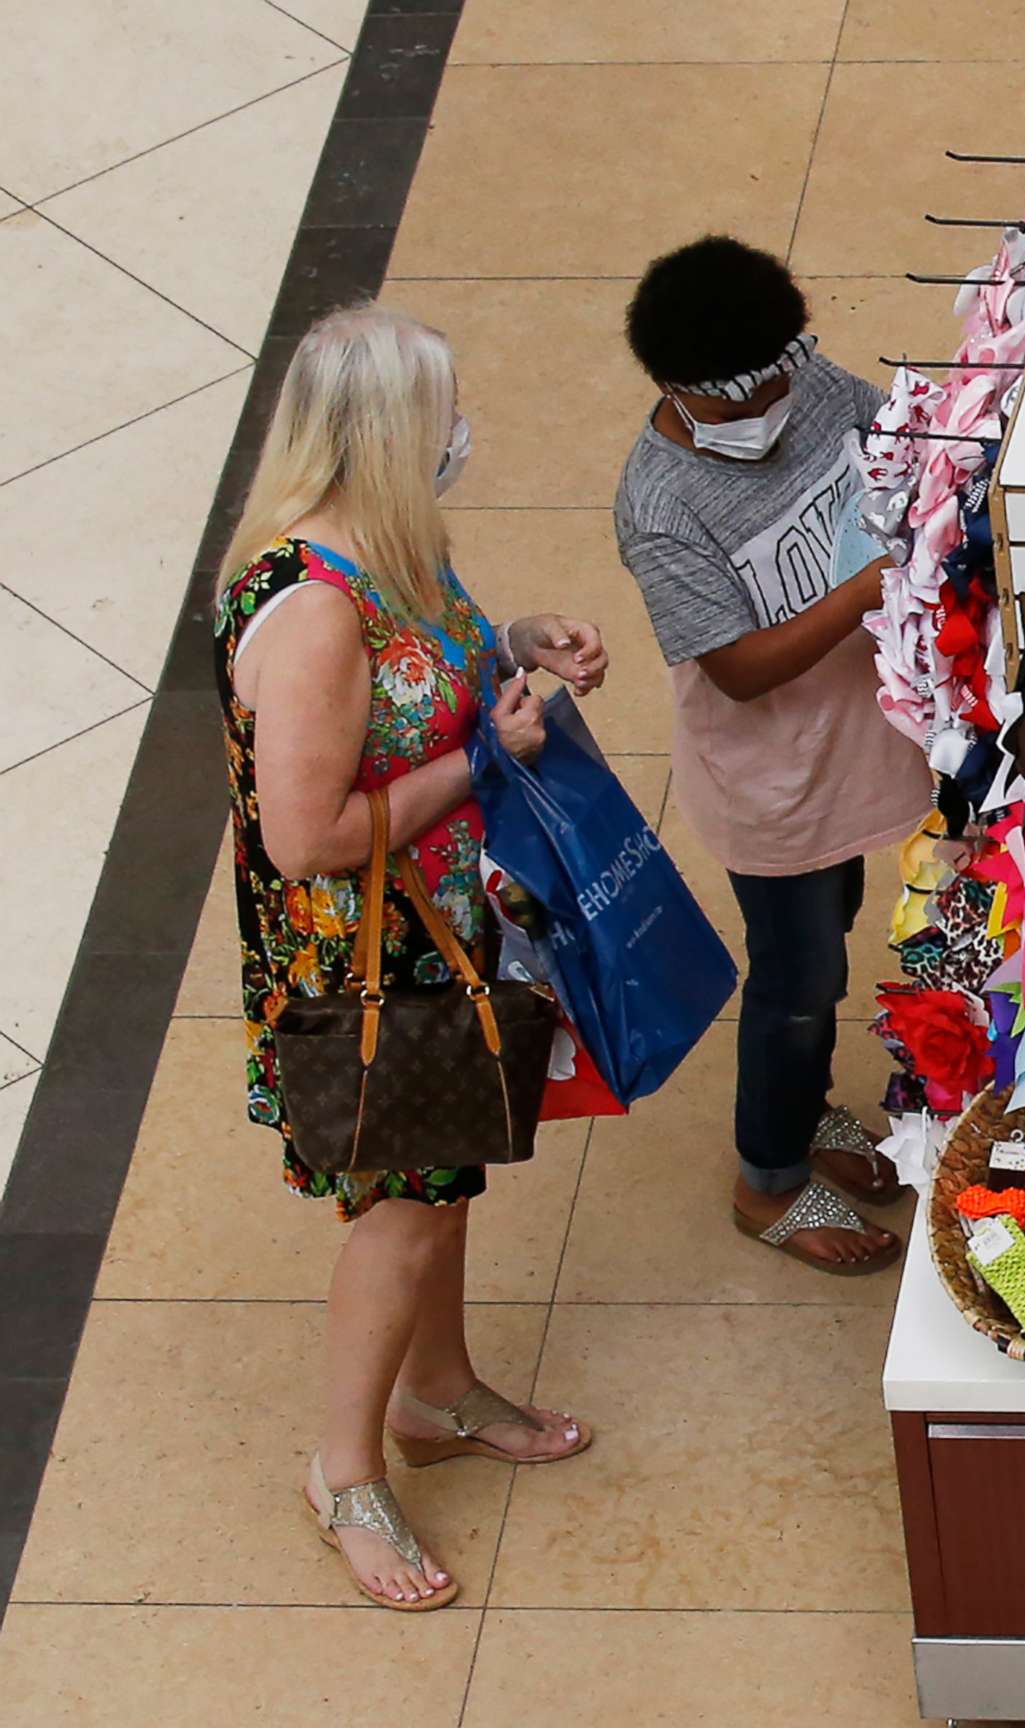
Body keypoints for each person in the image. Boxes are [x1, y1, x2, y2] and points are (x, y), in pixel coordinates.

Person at [216, 304, 610, 1611]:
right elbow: (308, 835)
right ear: (388, 437)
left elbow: (432, 665)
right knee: (400, 1211)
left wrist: (520, 644)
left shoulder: (386, 549)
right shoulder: (314, 614)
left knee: (444, 1188)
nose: (460, 438)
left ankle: (439, 1396)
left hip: (441, 942)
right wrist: (484, 759)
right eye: (440, 418)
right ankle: (346, 1469)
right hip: (373, 972)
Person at [612, 235, 929, 1275]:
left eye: (778, 379)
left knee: (830, 934)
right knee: (796, 977)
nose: (767, 410)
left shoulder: (807, 381)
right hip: (775, 785)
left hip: (860, 742)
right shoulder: (660, 510)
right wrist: (869, 586)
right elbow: (740, 670)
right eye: (737, 399)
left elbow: (894, 445)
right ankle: (768, 1180)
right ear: (675, 389)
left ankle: (808, 1112)